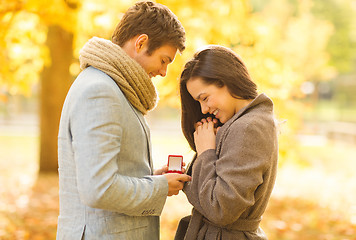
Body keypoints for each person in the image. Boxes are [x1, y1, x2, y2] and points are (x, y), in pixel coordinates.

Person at [56, 1, 191, 239]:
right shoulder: (100, 91)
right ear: (141, 43)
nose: (163, 72)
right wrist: (158, 188)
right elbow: (99, 188)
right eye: (163, 60)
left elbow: (110, 171)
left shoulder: (116, 87)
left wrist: (152, 178)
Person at [175, 45, 278, 240]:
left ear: (225, 81)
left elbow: (220, 209)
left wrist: (206, 153)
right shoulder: (241, 123)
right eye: (198, 102)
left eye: (204, 98)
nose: (203, 109)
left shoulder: (248, 127)